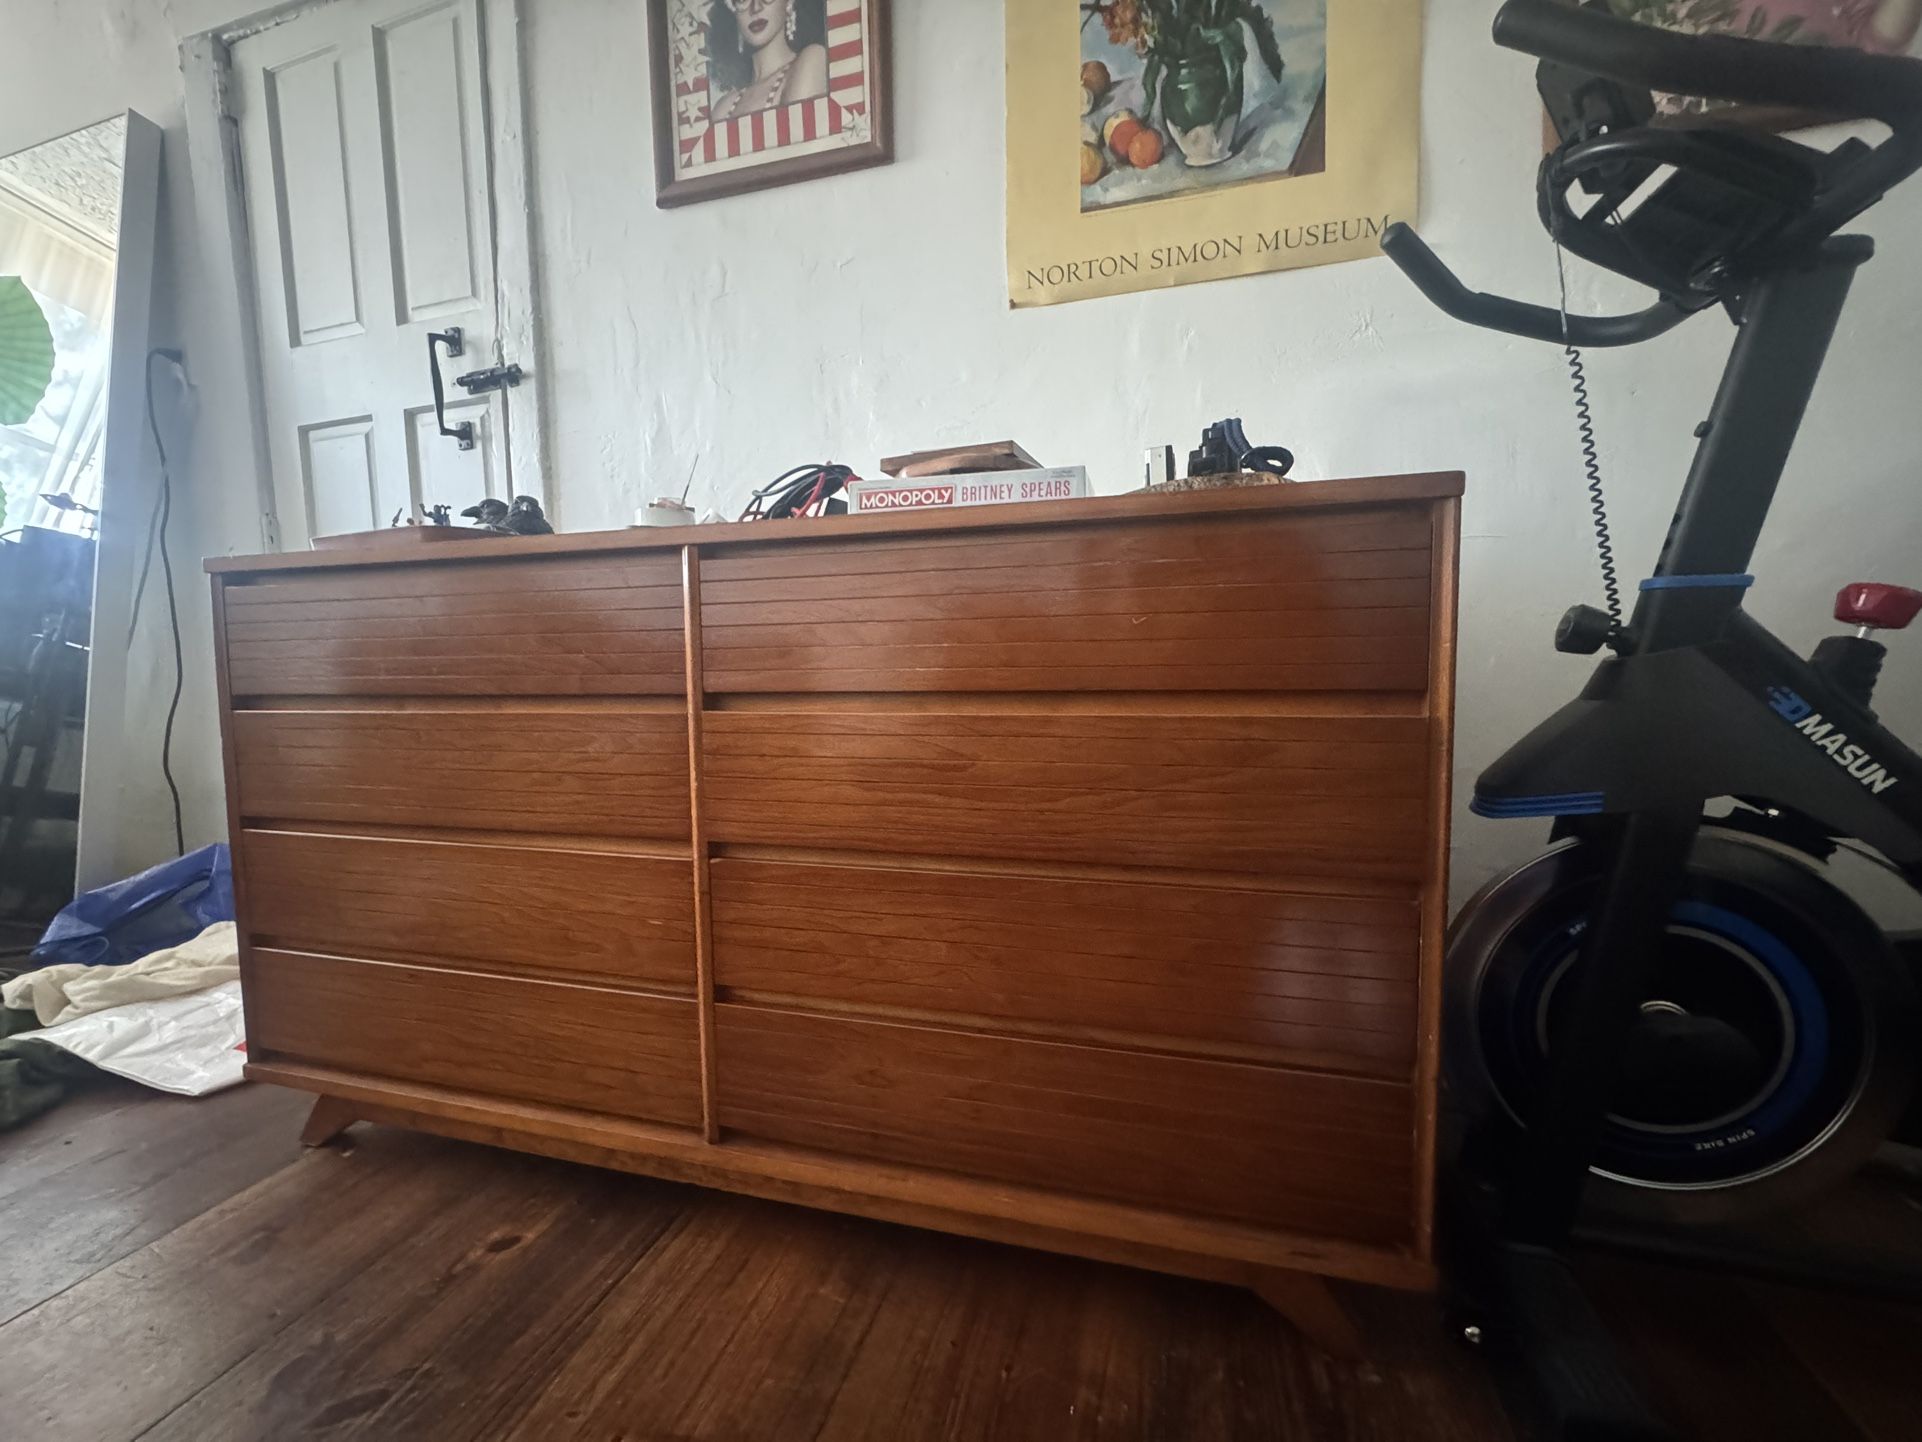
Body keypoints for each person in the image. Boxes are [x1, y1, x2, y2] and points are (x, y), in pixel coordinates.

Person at [707, 0, 830, 123]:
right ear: (732, 8)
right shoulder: (723, 109)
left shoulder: (812, 60)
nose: (756, 8)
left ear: (789, 2)